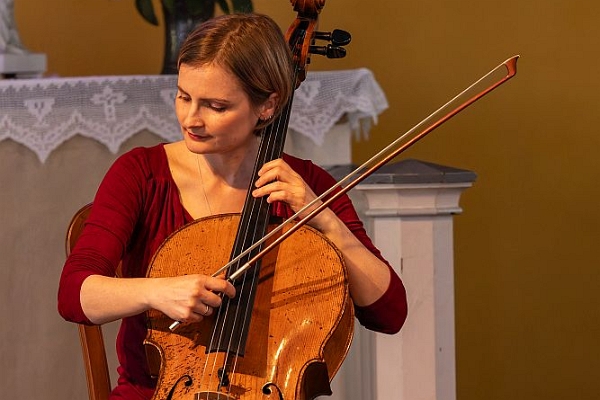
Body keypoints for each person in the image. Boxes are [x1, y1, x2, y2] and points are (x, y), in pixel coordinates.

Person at [58, 13, 407, 400]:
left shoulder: (306, 186)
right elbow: (74, 294)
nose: (191, 119)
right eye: (183, 97)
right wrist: (158, 292)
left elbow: (389, 314)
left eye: (216, 106)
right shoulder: (141, 174)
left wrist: (323, 218)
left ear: (268, 105)